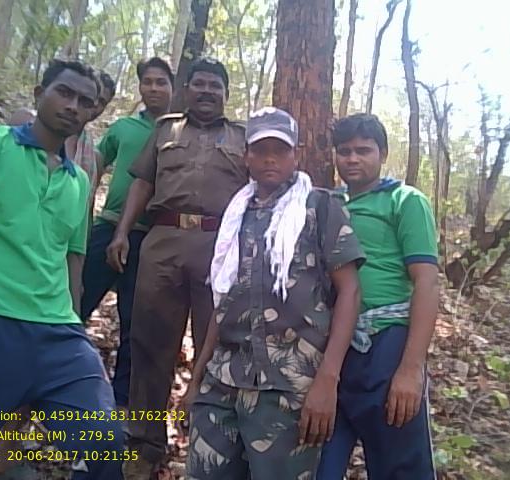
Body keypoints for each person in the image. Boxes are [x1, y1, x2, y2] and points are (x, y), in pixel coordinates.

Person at [0, 59, 124, 480]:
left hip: (57, 335)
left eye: (84, 101)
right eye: (64, 93)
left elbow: (73, 259)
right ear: (39, 94)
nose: (73, 106)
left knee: (104, 442)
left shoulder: (78, 182)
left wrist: (75, 326)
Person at [180, 107, 364, 480]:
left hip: (289, 388)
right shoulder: (235, 215)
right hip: (223, 382)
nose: (269, 159)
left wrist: (328, 380)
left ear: (295, 155)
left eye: (280, 150)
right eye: (260, 150)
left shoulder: (320, 207)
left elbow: (350, 291)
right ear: (246, 156)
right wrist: (197, 381)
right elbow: (222, 303)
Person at [107, 57, 247, 478]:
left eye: (215, 86)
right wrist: (121, 232)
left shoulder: (243, 137)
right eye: (199, 84)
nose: (206, 91)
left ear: (226, 94)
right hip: (163, 242)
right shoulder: (165, 130)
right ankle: (145, 445)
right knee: (150, 344)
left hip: (220, 248)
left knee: (215, 347)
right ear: (186, 90)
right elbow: (143, 183)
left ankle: (207, 445)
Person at [317, 113, 439, 479]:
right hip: (332, 347)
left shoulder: (405, 201)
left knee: (398, 464)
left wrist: (410, 370)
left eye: (363, 150)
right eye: (344, 151)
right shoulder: (326, 204)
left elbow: (427, 283)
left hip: (386, 344)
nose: (352, 159)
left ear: (382, 154)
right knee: (318, 462)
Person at [80, 57, 174, 413]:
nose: (153, 88)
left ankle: (121, 401)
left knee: (136, 320)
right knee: (76, 300)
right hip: (108, 227)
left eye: (161, 82)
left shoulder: (177, 131)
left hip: (150, 236)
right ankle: (51, 377)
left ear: (173, 87)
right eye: (147, 82)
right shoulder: (123, 128)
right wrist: (83, 214)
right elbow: (93, 166)